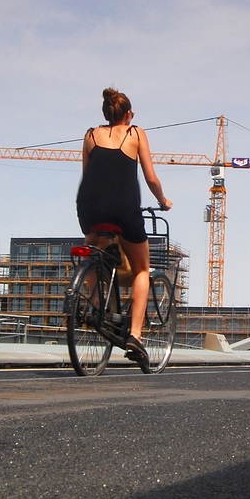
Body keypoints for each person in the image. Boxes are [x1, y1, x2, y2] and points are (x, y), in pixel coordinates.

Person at [76, 88, 172, 366]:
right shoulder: (135, 133)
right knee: (142, 269)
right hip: (123, 209)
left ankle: (97, 309)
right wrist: (163, 201)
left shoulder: (90, 135)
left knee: (94, 255)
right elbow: (151, 178)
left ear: (107, 114)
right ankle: (135, 335)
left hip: (90, 206)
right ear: (128, 114)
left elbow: (88, 175)